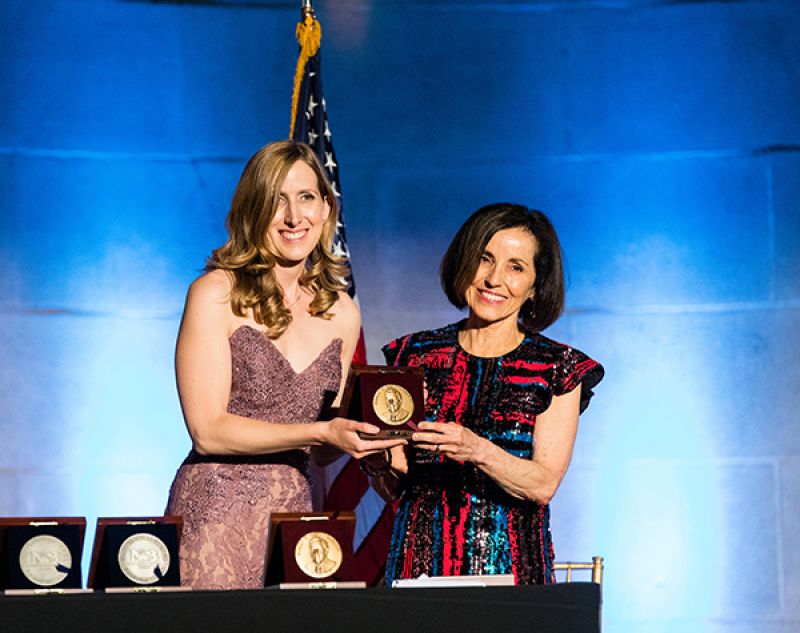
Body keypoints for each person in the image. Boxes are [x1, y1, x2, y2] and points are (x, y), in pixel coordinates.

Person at [165, 141, 403, 590]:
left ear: (327, 207)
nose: (294, 217)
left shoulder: (342, 312)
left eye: (306, 197)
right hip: (217, 512)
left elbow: (325, 448)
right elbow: (208, 430)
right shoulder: (215, 293)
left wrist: (368, 441)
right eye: (277, 200)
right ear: (253, 210)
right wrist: (319, 432)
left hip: (299, 518)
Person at [364, 202, 604, 585]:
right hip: (418, 574)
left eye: (516, 267)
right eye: (484, 259)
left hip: (513, 580)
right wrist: (376, 459)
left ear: (534, 287)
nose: (494, 279)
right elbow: (395, 487)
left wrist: (475, 449)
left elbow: (542, 484)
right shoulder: (413, 356)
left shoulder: (558, 367)